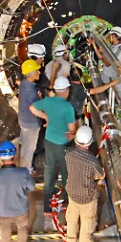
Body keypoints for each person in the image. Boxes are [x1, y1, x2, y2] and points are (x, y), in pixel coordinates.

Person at [30, 75, 77, 211]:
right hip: (63, 144)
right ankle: (67, 198)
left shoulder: (47, 101)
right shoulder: (68, 107)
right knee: (66, 169)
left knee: (49, 166)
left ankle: (48, 194)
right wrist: (73, 134)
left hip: (49, 140)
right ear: (67, 90)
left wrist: (46, 117)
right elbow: (72, 128)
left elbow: (32, 108)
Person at [65, 125, 105, 242]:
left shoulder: (69, 154)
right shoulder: (92, 161)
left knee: (72, 220)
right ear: (90, 141)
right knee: (87, 225)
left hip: (72, 193)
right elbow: (100, 175)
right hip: (88, 198)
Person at [17, 59, 43, 172]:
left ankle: (23, 165)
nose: (39, 72)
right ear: (32, 74)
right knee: (30, 147)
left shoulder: (24, 83)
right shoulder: (31, 92)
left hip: (23, 120)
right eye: (37, 71)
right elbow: (36, 108)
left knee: (25, 145)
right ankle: (26, 170)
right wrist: (46, 117)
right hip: (31, 123)